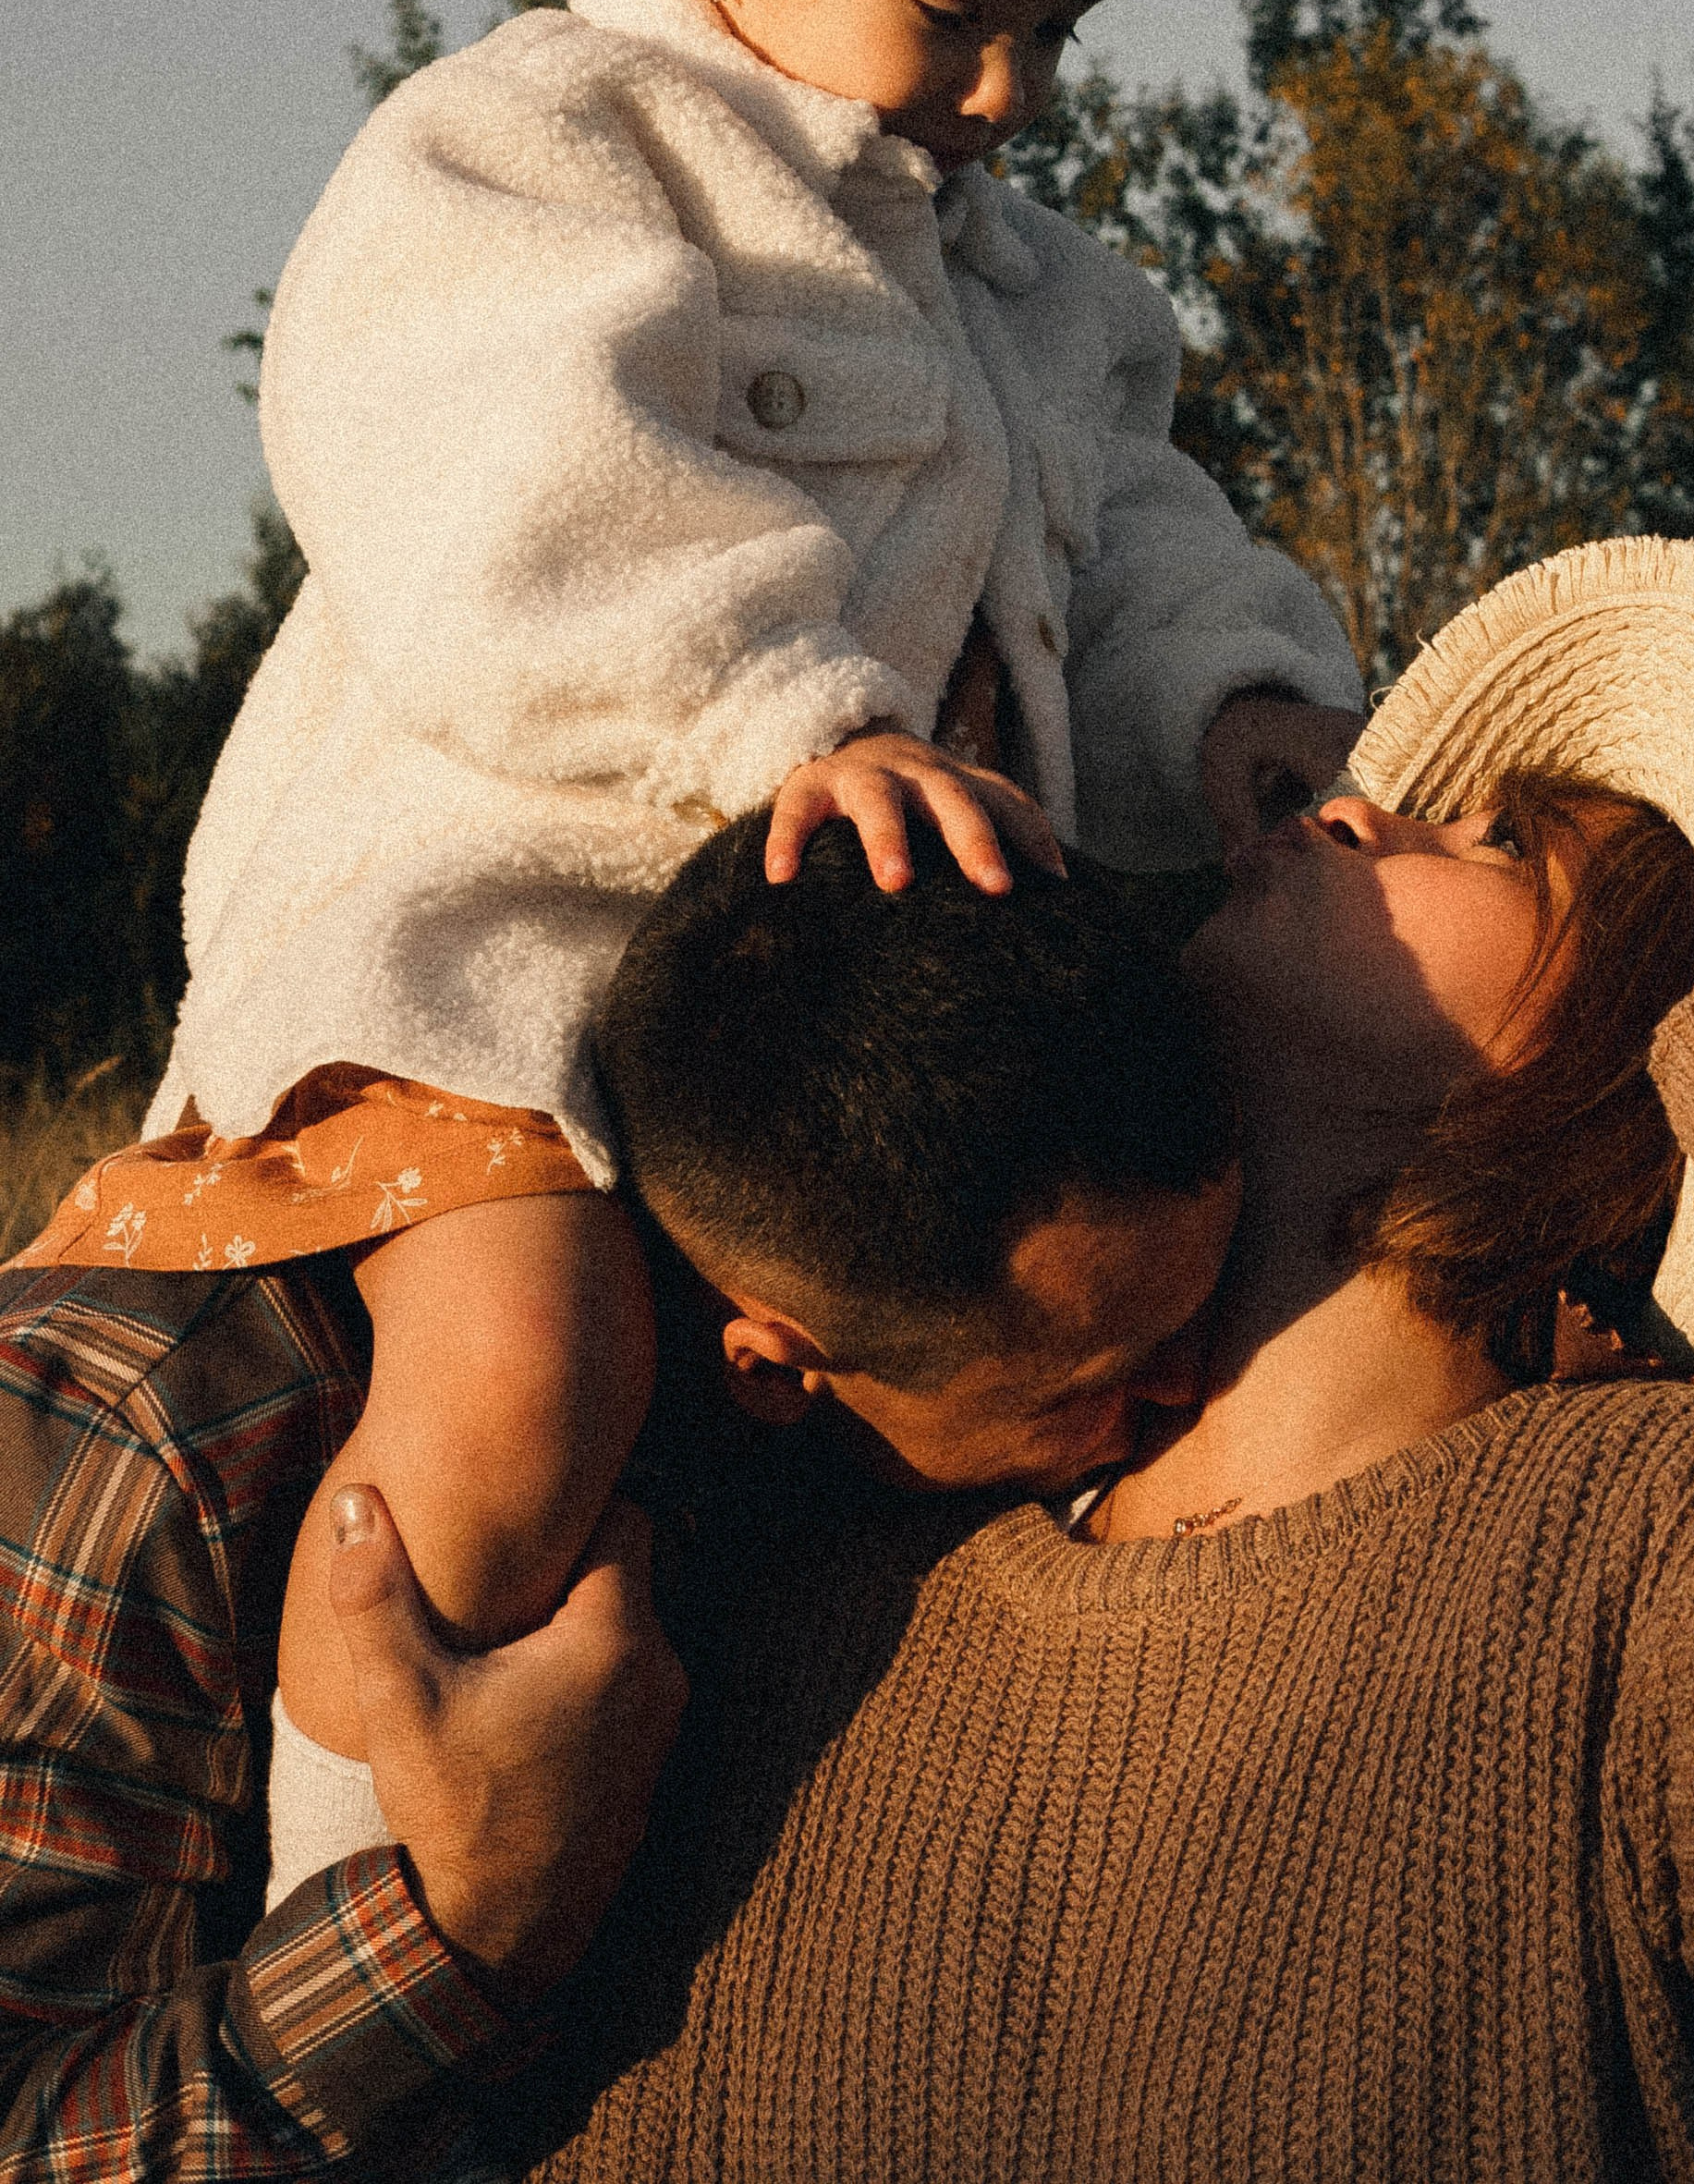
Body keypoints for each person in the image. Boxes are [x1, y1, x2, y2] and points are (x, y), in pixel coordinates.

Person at [16, 0, 1363, 1845]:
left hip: (796, 1048)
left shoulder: (1027, 291)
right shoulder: (544, 144)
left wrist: (1229, 704)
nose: (1013, 95)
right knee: (526, 1367)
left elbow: (1135, 525)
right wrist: (785, 704)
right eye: (962, 16)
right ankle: (392, 1880)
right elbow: (492, 461)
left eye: (1058, 31)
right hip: (485, 947)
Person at [481, 548, 1694, 2184]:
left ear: (1624, 1046)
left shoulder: (1646, 1545)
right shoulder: (847, 1555)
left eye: (1500, 848)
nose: (1349, 811)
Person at [0, 833, 1240, 2175]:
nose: (1195, 1382)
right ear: (774, 1367)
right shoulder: (147, 1430)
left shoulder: (822, 1373)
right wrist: (467, 1931)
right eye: (1104, 1378)